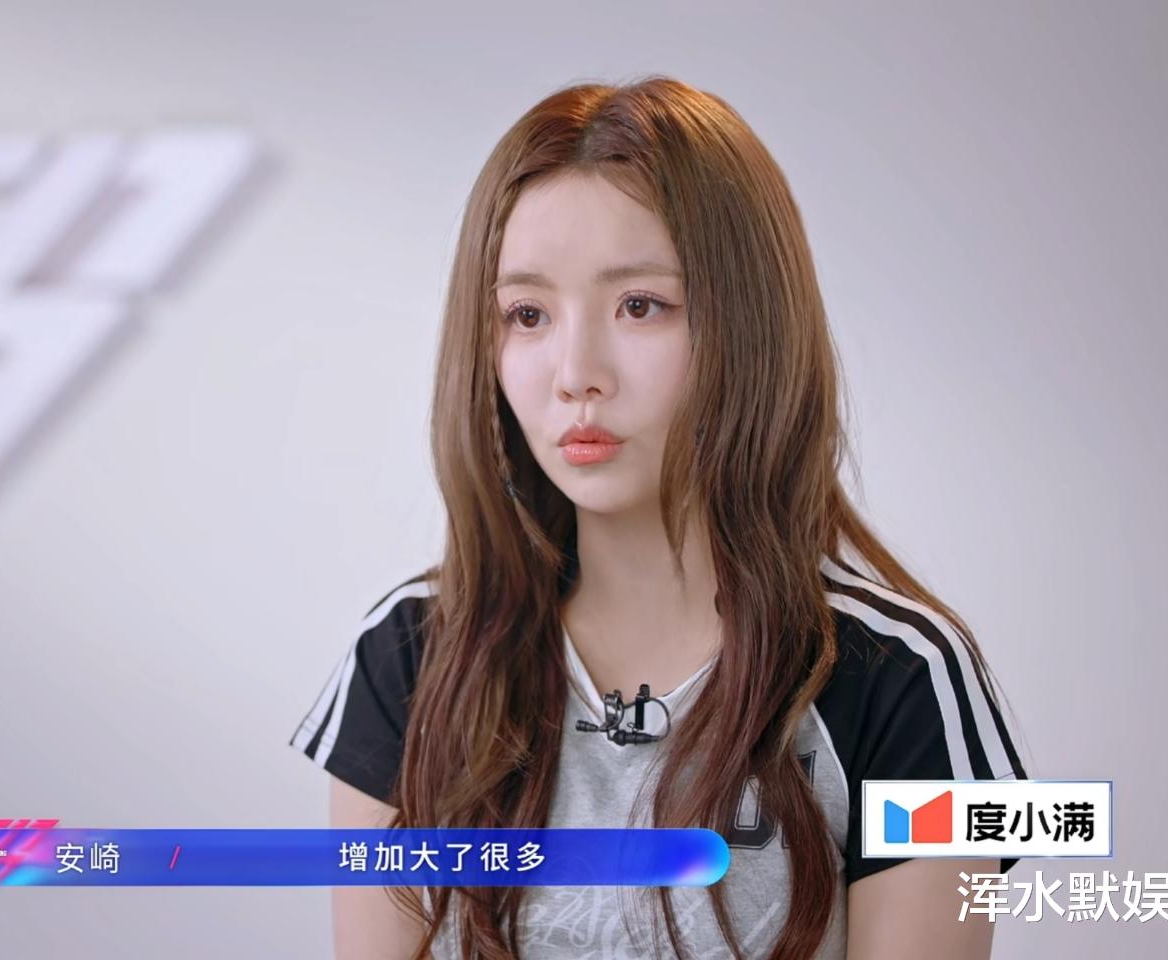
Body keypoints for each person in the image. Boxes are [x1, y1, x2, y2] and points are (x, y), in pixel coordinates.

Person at [289, 75, 1030, 960]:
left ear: (748, 324)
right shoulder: (411, 659)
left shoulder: (903, 681)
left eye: (639, 306)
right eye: (527, 314)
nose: (577, 373)